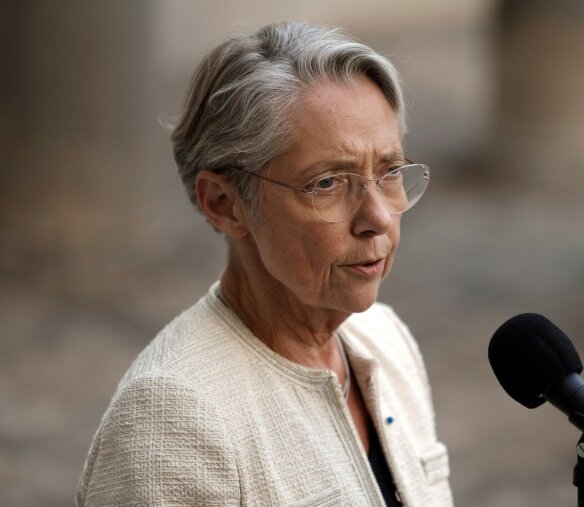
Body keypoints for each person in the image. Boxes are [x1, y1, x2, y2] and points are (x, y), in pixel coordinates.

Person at [76, 21, 453, 506]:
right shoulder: (172, 417)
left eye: (389, 173)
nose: (377, 218)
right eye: (327, 183)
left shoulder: (385, 339)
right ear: (224, 204)